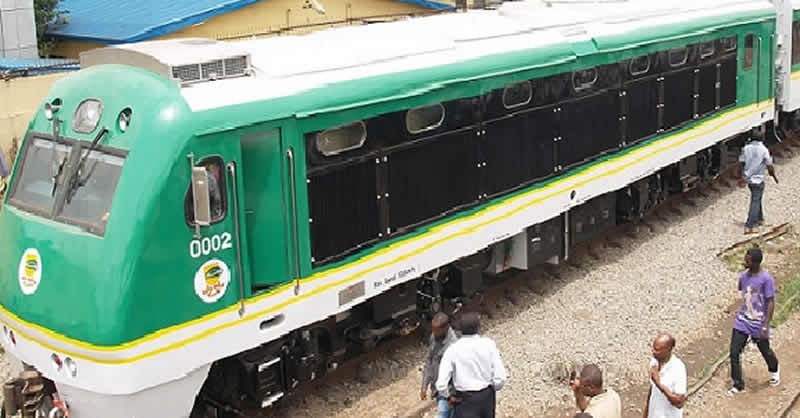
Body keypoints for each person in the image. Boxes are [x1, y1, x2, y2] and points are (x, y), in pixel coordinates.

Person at [435, 312, 507, 418]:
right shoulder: (489, 344)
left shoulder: (453, 350)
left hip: (464, 401)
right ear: (478, 327)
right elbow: (500, 378)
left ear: (460, 329)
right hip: (486, 397)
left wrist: (449, 397)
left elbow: (441, 384)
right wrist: (491, 389)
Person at [728, 247, 780, 395]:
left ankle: (774, 369)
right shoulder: (743, 276)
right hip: (743, 320)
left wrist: (765, 325)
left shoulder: (766, 279)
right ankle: (738, 384)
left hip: (758, 323)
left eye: (748, 260)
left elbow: (770, 302)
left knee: (765, 351)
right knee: (734, 352)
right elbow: (743, 294)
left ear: (756, 263)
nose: (745, 261)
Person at [737, 129, 778, 234]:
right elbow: (769, 165)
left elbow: (741, 163)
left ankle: (760, 218)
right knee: (755, 201)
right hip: (758, 179)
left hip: (748, 179)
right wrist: (773, 175)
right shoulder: (764, 150)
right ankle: (750, 225)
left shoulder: (745, 149)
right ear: (762, 139)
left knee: (757, 198)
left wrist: (741, 177)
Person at [421, 313, 458, 418]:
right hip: (439, 389)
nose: (433, 332)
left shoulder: (453, 345)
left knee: (444, 414)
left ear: (446, 328)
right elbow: (429, 360)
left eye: (437, 330)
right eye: (433, 329)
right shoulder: (435, 337)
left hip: (448, 392)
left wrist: (451, 396)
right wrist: (424, 385)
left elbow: (457, 373)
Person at [643, 333, 687, 418]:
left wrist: (658, 383)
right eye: (653, 348)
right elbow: (652, 391)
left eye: (657, 350)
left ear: (668, 349)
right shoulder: (654, 362)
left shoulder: (678, 368)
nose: (653, 352)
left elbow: (679, 403)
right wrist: (646, 414)